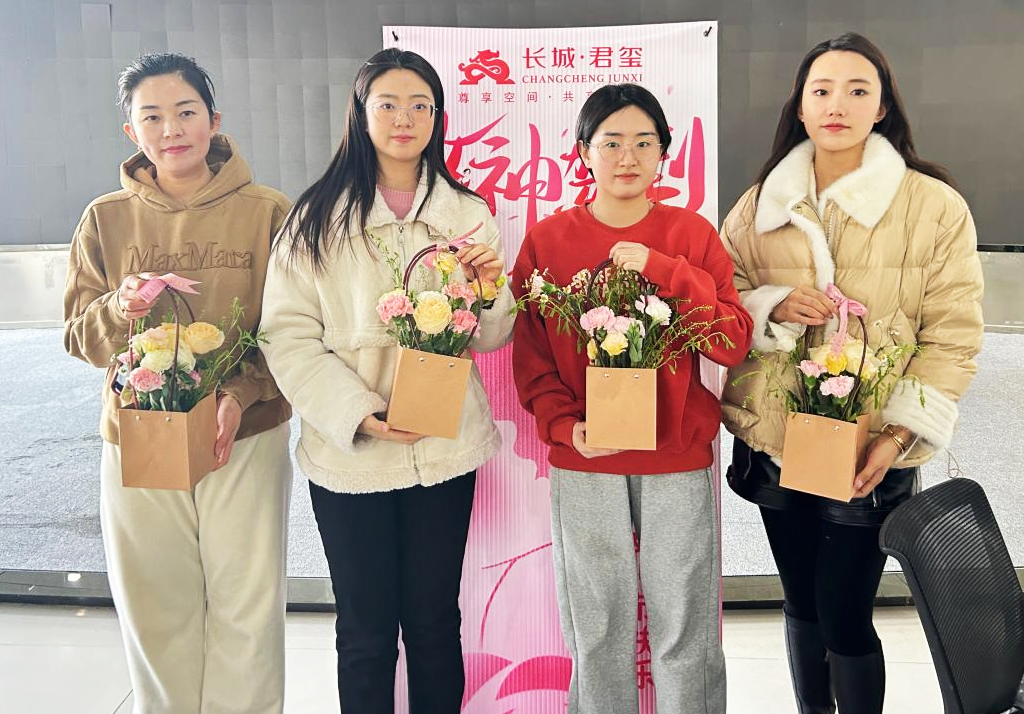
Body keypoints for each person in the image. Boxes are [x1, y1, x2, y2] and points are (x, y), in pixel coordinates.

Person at [720, 33, 984, 714]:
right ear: (801, 107)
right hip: (777, 439)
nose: (838, 104)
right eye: (823, 90)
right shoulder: (759, 205)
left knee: (844, 611)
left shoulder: (933, 206)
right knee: (802, 604)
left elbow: (952, 336)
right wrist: (773, 305)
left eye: (858, 90)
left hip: (872, 446)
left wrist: (897, 436)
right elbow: (721, 301)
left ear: (883, 107)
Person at [258, 48, 514, 714]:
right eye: (388, 104)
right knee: (366, 633)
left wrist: (490, 289)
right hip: (351, 457)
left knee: (434, 623)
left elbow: (491, 336)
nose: (405, 119)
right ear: (361, 113)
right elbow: (286, 335)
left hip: (443, 447)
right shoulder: (315, 219)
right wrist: (358, 412)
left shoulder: (466, 212)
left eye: (420, 105)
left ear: (437, 117)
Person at [511, 83, 753, 714]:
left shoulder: (690, 235)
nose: (627, 157)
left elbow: (731, 342)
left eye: (644, 142)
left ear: (663, 154)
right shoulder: (547, 242)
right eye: (611, 142)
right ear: (583, 152)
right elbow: (532, 358)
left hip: (675, 455)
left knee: (684, 623)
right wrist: (565, 426)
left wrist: (662, 269)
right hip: (585, 456)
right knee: (596, 625)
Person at [63, 53, 293, 714]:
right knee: (154, 603)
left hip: (244, 436)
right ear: (131, 131)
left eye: (186, 112)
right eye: (153, 117)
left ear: (214, 120)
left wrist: (238, 396)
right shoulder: (105, 218)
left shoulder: (268, 212)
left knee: (247, 605)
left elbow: (292, 330)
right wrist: (119, 308)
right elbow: (79, 336)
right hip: (139, 437)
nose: (171, 129)